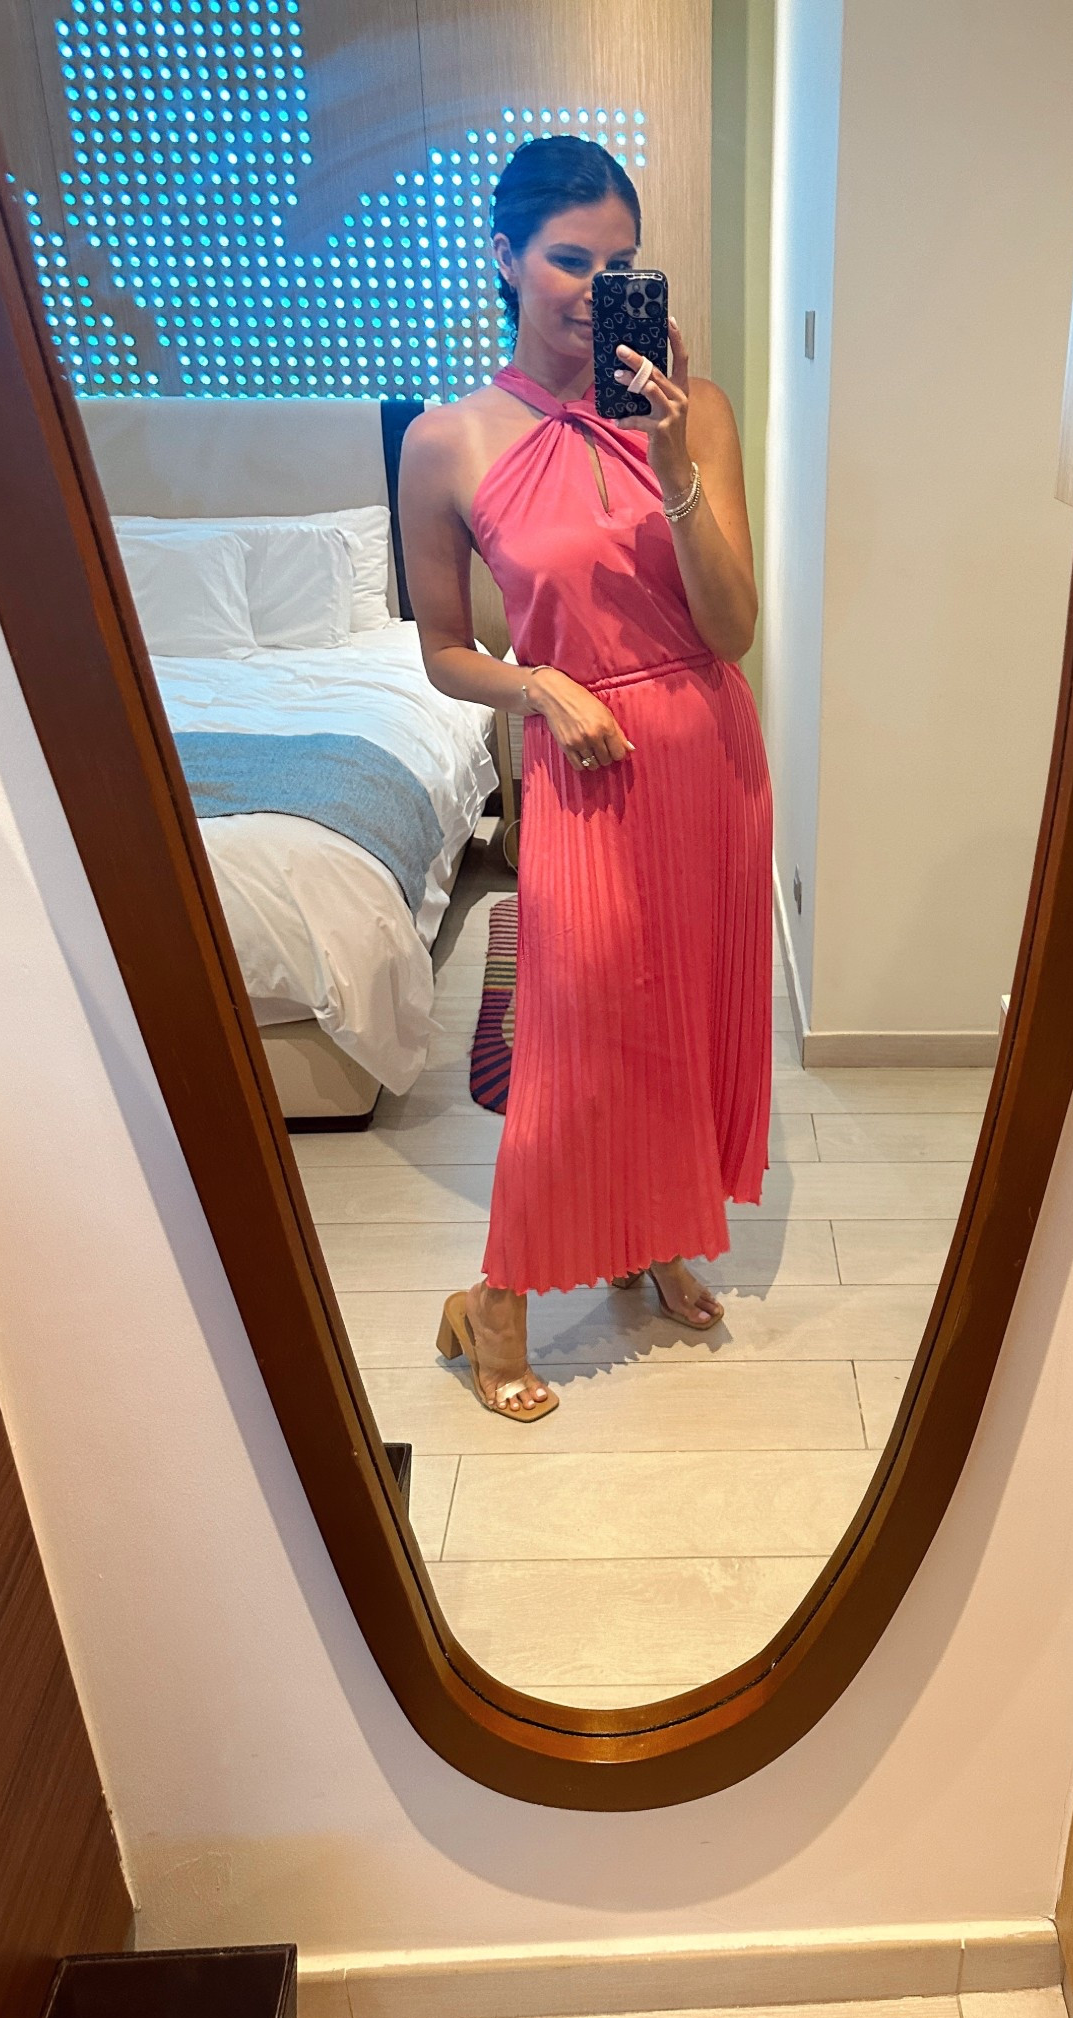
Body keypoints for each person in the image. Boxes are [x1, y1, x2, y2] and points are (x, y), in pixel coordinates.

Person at [401, 135, 773, 1423]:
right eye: (568, 259)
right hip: (584, 766)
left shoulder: (695, 411)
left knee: (682, 1017)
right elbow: (445, 652)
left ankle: (654, 1233)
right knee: (573, 1041)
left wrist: (673, 468)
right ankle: (496, 1301)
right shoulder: (448, 442)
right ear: (505, 258)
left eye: (621, 264)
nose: (594, 288)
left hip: (707, 756)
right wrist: (539, 689)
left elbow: (733, 629)